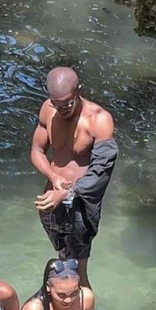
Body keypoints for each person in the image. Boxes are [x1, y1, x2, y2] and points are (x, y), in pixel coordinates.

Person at [31, 66, 118, 289]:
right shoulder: (48, 110)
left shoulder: (99, 120)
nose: (62, 110)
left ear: (79, 91)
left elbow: (100, 172)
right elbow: (37, 151)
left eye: (67, 104)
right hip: (51, 201)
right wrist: (51, 175)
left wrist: (68, 192)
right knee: (63, 262)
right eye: (57, 104)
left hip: (80, 204)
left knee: (77, 270)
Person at [19, 258, 94, 310]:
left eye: (74, 293)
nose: (68, 300)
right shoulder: (34, 309)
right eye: (61, 295)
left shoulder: (85, 298)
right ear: (48, 287)